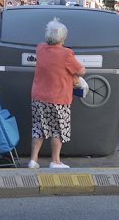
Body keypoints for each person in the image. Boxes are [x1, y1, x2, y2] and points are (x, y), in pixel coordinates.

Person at [28, 18, 86, 169]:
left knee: (38, 128)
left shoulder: (40, 49)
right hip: (58, 98)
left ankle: (33, 160)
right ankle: (55, 161)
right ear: (63, 37)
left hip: (39, 97)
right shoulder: (66, 54)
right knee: (58, 129)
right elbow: (81, 71)